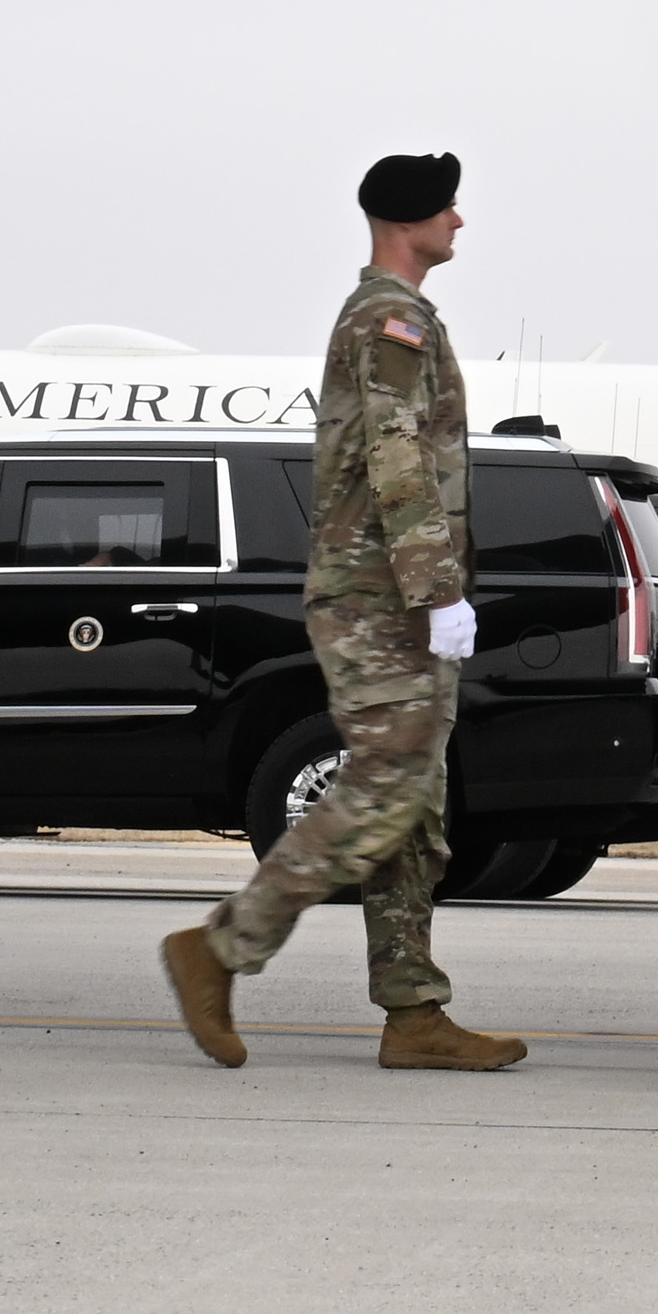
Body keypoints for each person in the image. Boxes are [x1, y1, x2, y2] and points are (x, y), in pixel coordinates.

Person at [165, 153, 519, 1074]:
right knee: (384, 786)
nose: (460, 221)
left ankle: (413, 1012)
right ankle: (223, 945)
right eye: (448, 207)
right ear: (410, 220)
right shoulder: (388, 321)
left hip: (389, 590)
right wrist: (435, 588)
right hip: (381, 595)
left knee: (412, 803)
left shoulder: (403, 318)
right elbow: (397, 455)